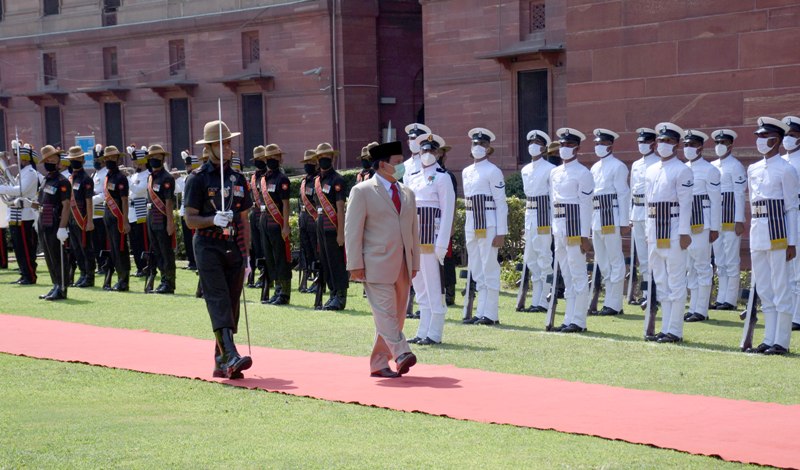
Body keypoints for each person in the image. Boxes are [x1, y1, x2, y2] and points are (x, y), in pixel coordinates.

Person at [184, 119, 253, 378]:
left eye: (228, 143)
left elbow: (244, 219)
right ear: (208, 147)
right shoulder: (197, 179)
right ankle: (231, 355)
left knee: (232, 302)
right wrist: (212, 219)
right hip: (208, 244)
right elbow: (190, 219)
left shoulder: (238, 178)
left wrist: (247, 255)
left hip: (233, 244)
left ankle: (221, 362)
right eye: (220, 144)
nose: (226, 148)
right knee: (218, 298)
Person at [345, 141, 420, 378]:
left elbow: (413, 231)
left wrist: (415, 262)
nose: (401, 167)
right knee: (386, 314)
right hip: (375, 263)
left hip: (403, 264)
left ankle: (378, 363)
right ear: (382, 165)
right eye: (397, 162)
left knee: (395, 317)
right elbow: (352, 231)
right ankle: (402, 352)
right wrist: (355, 264)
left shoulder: (407, 192)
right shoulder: (362, 191)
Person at [745, 117, 798, 355]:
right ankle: (768, 338)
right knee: (765, 288)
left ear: (776, 140)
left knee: (781, 286)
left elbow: (791, 208)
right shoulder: (753, 169)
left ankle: (781, 341)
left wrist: (792, 242)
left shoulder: (786, 170)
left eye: (764, 137)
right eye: (758, 136)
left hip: (778, 233)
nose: (760, 141)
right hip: (758, 232)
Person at [644, 122, 694, 343]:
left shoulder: (682, 170)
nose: (663, 144)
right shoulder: (651, 170)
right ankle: (664, 327)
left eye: (668, 141)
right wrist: (647, 233)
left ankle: (675, 330)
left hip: (673, 229)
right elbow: (648, 204)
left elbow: (686, 204)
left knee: (675, 281)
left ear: (677, 144)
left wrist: (684, 233)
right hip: (655, 230)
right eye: (661, 140)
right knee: (660, 281)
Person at [406, 134, 455, 345]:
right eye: (424, 150)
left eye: (431, 150)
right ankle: (422, 330)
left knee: (434, 285)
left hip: (431, 238)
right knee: (419, 286)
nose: (427, 154)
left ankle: (434, 332)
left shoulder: (443, 177)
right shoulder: (412, 176)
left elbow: (447, 212)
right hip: (414, 237)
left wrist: (442, 244)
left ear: (438, 153)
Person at [549, 128, 594, 333]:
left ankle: (579, 320)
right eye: (562, 145)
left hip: (575, 226)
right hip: (559, 226)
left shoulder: (583, 173)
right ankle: (568, 318)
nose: (564, 148)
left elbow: (585, 205)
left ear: (577, 148)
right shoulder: (555, 172)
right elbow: (553, 202)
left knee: (577, 273)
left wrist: (585, 235)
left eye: (569, 145)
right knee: (566, 274)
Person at [461, 128, 508, 325]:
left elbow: (501, 202)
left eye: (482, 144)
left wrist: (501, 232)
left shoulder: (493, 171)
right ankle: (480, 311)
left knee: (489, 267)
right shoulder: (466, 171)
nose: (478, 147)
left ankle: (491, 313)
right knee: (476, 267)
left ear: (489, 148)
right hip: (472, 223)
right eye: (475, 143)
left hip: (488, 223)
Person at [589, 128, 630, 316]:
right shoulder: (594, 167)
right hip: (597, 216)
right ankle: (608, 301)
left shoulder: (618, 166)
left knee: (615, 259)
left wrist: (624, 221)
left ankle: (614, 304)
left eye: (602, 143)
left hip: (610, 215)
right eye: (597, 143)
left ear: (610, 145)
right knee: (603, 261)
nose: (598, 146)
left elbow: (623, 194)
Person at [682, 130, 721, 323]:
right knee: (690, 266)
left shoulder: (709, 170)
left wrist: (715, 228)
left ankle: (702, 309)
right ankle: (693, 307)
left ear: (700, 147)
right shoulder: (682, 168)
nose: (688, 148)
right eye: (686, 145)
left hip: (702, 223)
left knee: (702, 265)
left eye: (692, 145)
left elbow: (716, 201)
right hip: (684, 223)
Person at [710, 130, 746, 312]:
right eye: (717, 142)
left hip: (731, 218)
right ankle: (721, 297)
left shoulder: (736, 166)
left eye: (723, 142)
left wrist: (739, 219)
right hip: (716, 219)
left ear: (731, 145)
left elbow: (740, 194)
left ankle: (730, 299)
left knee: (731, 259)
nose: (719, 146)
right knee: (720, 259)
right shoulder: (712, 166)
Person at [520, 129, 555, 312]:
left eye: (538, 143)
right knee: (530, 258)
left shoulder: (550, 169)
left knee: (544, 257)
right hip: (530, 214)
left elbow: (552, 197)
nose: (533, 146)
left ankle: (545, 299)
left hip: (543, 214)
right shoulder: (525, 170)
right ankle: (536, 299)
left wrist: (553, 221)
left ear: (544, 148)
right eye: (531, 143)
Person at [313, 142, 348, 310]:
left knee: (336, 262)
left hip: (333, 226)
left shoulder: (337, 179)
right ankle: (333, 293)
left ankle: (340, 297)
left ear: (332, 158)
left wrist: (341, 233)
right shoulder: (318, 180)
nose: (324, 159)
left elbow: (340, 208)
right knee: (326, 262)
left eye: (327, 156)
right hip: (321, 224)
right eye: (321, 157)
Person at [0, 145, 39, 284]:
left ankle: (30, 276)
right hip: (15, 214)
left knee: (25, 248)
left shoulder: (31, 173)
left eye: (19, 158)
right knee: (18, 248)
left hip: (24, 215)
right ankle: (24, 273)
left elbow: (20, 191)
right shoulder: (21, 173)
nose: (18, 161)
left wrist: (2, 188)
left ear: (25, 159)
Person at [259, 143, 292, 305]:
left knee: (281, 257)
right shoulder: (264, 179)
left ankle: (284, 293)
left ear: (279, 158)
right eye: (268, 158)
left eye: (274, 157)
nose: (271, 160)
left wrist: (285, 225)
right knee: (270, 258)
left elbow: (285, 204)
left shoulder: (282, 179)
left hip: (277, 222)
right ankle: (277, 290)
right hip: (265, 221)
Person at [36, 145, 71, 300]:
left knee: (58, 256)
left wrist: (62, 227)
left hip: (55, 221)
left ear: (58, 160)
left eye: (52, 159)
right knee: (49, 256)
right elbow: (42, 202)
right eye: (47, 159)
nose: (49, 161)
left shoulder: (62, 181)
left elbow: (66, 205)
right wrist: (27, 203)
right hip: (44, 219)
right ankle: (55, 284)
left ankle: (62, 287)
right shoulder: (46, 179)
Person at [629, 128, 659, 305]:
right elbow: (632, 190)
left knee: (654, 255)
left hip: (652, 213)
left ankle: (658, 292)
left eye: (645, 142)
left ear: (653, 144)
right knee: (642, 257)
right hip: (637, 211)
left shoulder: (658, 163)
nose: (642, 145)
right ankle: (647, 293)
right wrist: (630, 216)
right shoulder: (636, 164)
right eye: (639, 142)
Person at [145, 144, 177, 294]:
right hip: (151, 219)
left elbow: (169, 201)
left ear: (163, 158)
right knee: (157, 251)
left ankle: (169, 282)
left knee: (166, 252)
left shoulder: (167, 178)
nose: (154, 159)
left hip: (162, 219)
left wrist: (170, 223)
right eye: (152, 157)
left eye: (157, 157)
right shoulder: (150, 177)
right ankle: (163, 278)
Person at [101, 146, 131, 291]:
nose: (110, 160)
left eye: (113, 157)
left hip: (118, 217)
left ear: (118, 159)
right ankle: (119, 277)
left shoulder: (121, 178)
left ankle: (123, 280)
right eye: (107, 158)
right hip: (108, 216)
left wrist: (125, 220)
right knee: (113, 249)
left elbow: (124, 200)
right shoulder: (107, 177)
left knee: (121, 249)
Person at [65, 146, 96, 288]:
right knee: (76, 249)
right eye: (72, 159)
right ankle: (83, 273)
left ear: (83, 160)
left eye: (77, 159)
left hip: (82, 219)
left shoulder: (86, 179)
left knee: (86, 248)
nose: (74, 161)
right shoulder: (71, 178)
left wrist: (90, 221)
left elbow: (89, 201)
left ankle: (89, 276)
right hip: (72, 219)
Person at [781, 116, 800, 331]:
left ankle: (798, 315)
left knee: (797, 270)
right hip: (779, 219)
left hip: (798, 216)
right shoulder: (779, 161)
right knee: (783, 269)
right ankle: (786, 312)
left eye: (792, 135)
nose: (788, 139)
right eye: (786, 135)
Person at [436, 145, 458, 306]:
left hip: (444, 222)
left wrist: (452, 224)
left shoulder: (448, 176)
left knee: (447, 257)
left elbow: (453, 203)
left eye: (438, 153)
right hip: (428, 223)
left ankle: (449, 292)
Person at [298, 149, 319, 293]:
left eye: (310, 162)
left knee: (316, 250)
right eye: (306, 162)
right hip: (304, 217)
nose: (308, 165)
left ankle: (318, 278)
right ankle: (308, 276)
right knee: (306, 250)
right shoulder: (304, 181)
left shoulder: (318, 180)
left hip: (314, 218)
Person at [127, 149, 150, 277]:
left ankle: (146, 266)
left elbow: (138, 190)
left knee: (143, 241)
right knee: (134, 243)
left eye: (136, 161)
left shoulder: (147, 175)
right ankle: (139, 267)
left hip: (141, 211)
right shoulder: (135, 175)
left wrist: (127, 179)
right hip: (132, 211)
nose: (134, 164)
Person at [247, 146, 267, 288]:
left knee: (264, 245)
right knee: (255, 246)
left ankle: (266, 274)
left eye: (261, 159)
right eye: (256, 159)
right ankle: (257, 273)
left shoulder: (269, 176)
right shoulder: (253, 177)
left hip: (265, 214)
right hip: (254, 213)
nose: (258, 161)